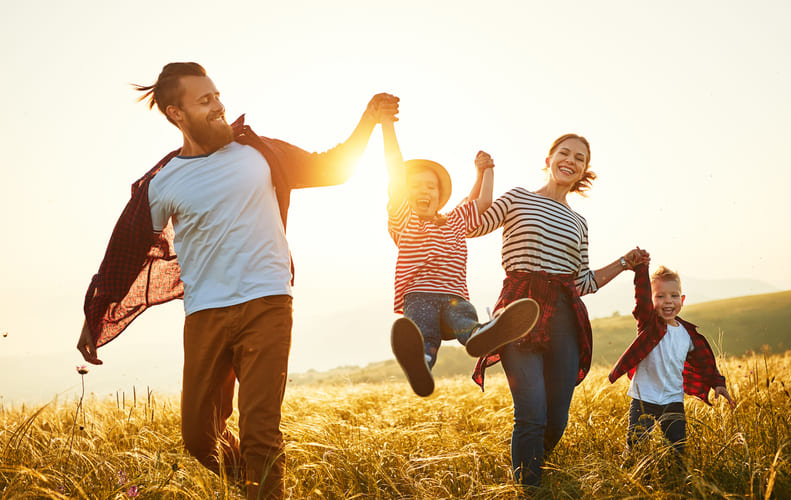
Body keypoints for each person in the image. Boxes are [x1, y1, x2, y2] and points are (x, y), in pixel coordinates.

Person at [74, 62, 399, 499]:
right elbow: (125, 253)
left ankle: (262, 486)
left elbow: (333, 169)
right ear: (176, 113)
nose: (219, 106)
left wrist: (369, 120)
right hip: (205, 315)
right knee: (198, 438)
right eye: (204, 101)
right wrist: (94, 317)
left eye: (217, 96)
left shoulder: (259, 152)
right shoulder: (163, 181)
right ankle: (254, 484)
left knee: (260, 431)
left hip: (266, 305)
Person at [468, 133, 649, 488]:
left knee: (556, 420)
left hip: (565, 316)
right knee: (531, 414)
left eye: (579, 158)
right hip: (520, 311)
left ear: (584, 171)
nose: (571, 160)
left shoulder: (579, 223)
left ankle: (532, 468)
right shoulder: (518, 198)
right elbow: (475, 225)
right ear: (549, 158)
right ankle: (529, 489)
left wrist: (624, 263)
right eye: (564, 153)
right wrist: (482, 174)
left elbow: (582, 282)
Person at [381, 121, 539, 397]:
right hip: (419, 296)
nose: (424, 191)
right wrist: (387, 127)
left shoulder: (455, 220)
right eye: (415, 186)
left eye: (430, 187)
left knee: (465, 320)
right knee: (424, 334)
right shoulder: (404, 219)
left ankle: (483, 336)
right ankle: (422, 366)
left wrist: (486, 171)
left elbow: (482, 202)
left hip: (455, 296)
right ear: (403, 194)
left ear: (440, 197)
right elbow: (395, 170)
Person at [609, 263, 735, 456]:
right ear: (650, 302)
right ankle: (627, 475)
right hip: (644, 398)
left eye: (674, 295)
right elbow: (641, 296)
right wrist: (641, 268)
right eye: (660, 296)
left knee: (678, 449)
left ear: (682, 300)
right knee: (636, 447)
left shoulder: (687, 334)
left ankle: (678, 481)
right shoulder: (649, 325)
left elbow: (705, 362)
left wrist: (717, 382)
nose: (668, 301)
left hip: (673, 399)